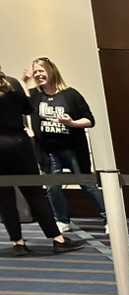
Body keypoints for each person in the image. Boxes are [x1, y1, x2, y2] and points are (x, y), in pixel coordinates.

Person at [0, 65, 84, 256]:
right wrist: (24, 83)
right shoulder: (11, 83)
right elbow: (27, 109)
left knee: (4, 198)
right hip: (18, 143)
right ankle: (57, 239)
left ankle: (18, 243)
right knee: (35, 193)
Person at [22, 57, 106, 233]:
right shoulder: (36, 95)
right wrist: (24, 80)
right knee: (53, 187)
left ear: (51, 71)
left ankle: (108, 219)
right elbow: (20, 102)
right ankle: (62, 220)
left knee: (87, 184)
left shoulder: (70, 94)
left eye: (41, 71)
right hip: (49, 151)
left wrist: (72, 123)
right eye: (35, 72)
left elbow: (90, 120)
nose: (38, 75)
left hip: (73, 150)